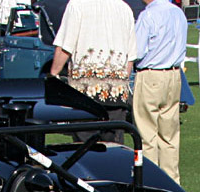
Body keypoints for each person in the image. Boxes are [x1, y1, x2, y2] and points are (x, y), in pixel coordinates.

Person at [50, 0, 136, 143]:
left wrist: (53, 75)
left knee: (84, 151)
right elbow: (130, 57)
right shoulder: (125, 9)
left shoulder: (76, 5)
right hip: (115, 92)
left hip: (84, 94)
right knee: (114, 150)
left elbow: (65, 47)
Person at [133, 0, 187, 184]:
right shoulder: (178, 13)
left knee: (147, 134)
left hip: (151, 74)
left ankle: (150, 182)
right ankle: (172, 182)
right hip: (174, 75)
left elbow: (137, 51)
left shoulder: (148, 15)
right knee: (170, 136)